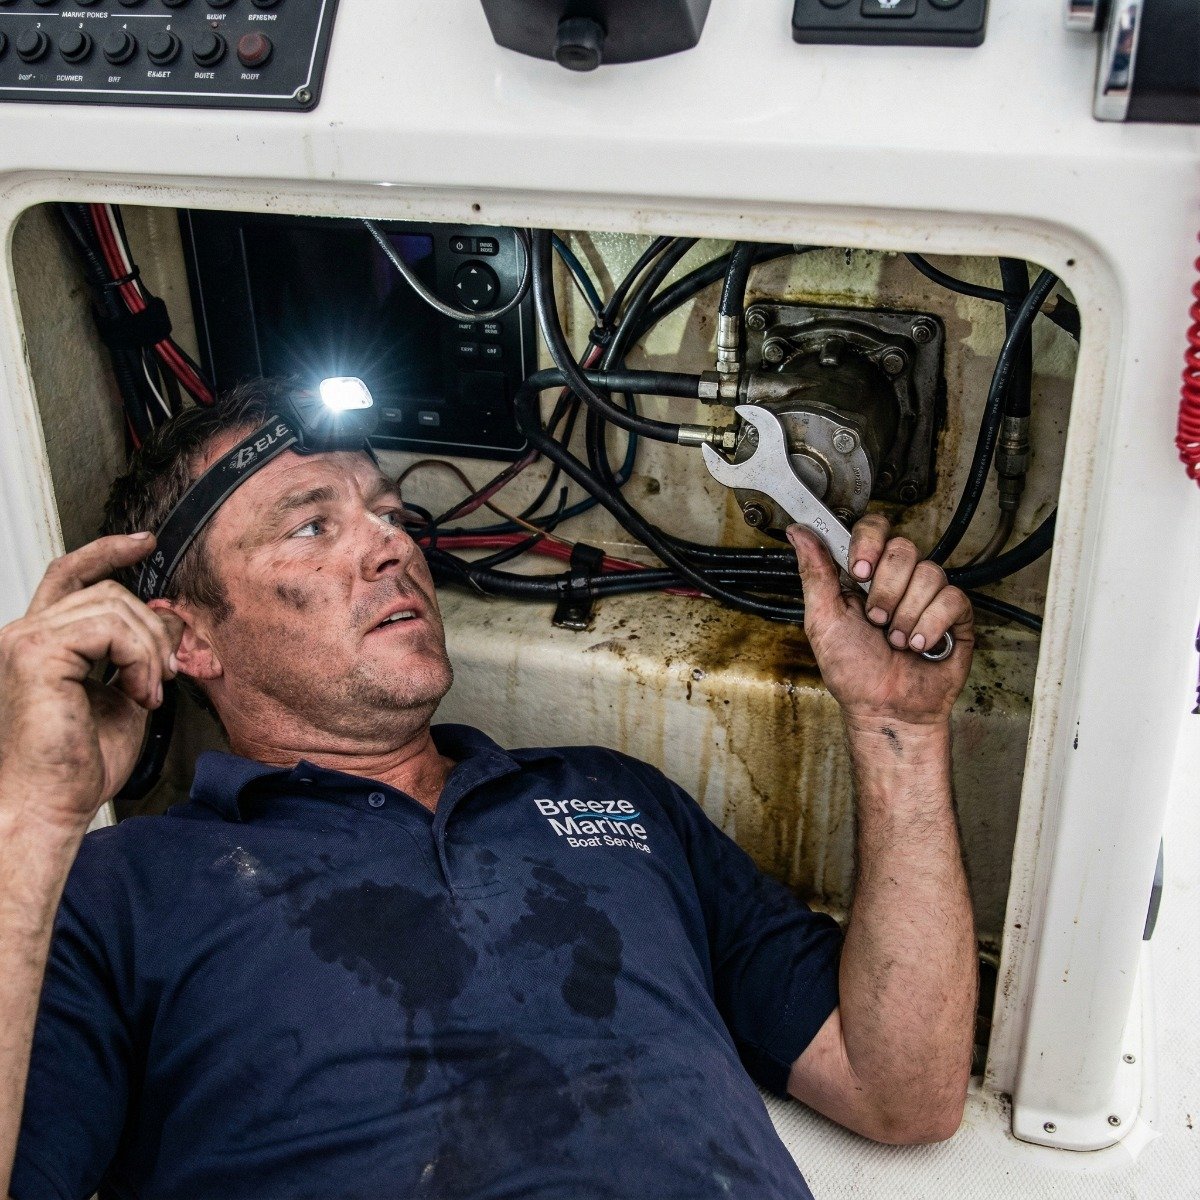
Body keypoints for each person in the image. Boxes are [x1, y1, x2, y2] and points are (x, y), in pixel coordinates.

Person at [0, 380, 977, 1200]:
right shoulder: (113, 892)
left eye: (387, 513)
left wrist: (898, 724)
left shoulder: (618, 799)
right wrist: (31, 811)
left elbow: (903, 1090)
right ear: (189, 640)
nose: (389, 546)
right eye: (312, 526)